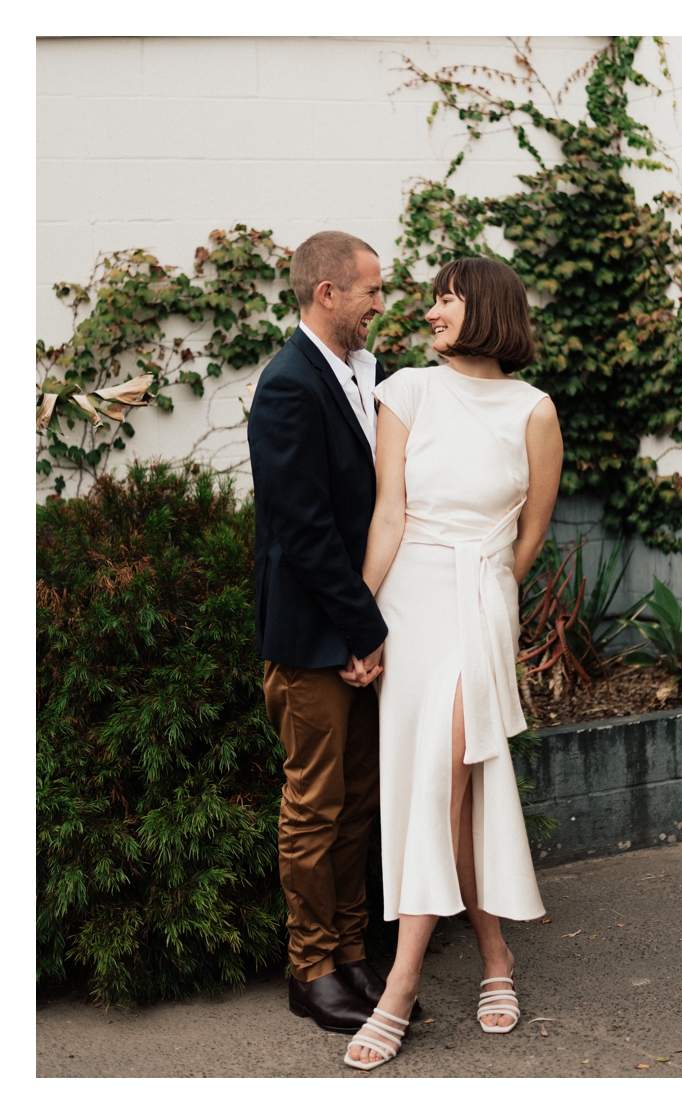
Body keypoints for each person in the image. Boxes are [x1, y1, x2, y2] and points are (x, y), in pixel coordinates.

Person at [340, 256, 563, 1070]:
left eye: (446, 298)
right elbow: (388, 514)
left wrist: (490, 597)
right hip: (408, 604)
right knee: (438, 789)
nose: (430, 311)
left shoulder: (534, 410)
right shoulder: (405, 390)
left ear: (488, 309)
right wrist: (359, 624)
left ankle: (399, 987)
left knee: (445, 779)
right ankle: (495, 955)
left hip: (477, 604)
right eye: (433, 299)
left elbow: (529, 536)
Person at [248, 230, 395, 1035]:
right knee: (314, 806)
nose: (382, 302)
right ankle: (311, 969)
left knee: (357, 802)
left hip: (356, 631)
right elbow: (303, 530)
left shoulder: (359, 374)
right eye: (371, 289)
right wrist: (360, 629)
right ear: (326, 293)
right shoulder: (288, 386)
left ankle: (350, 952)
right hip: (313, 637)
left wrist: (370, 632)